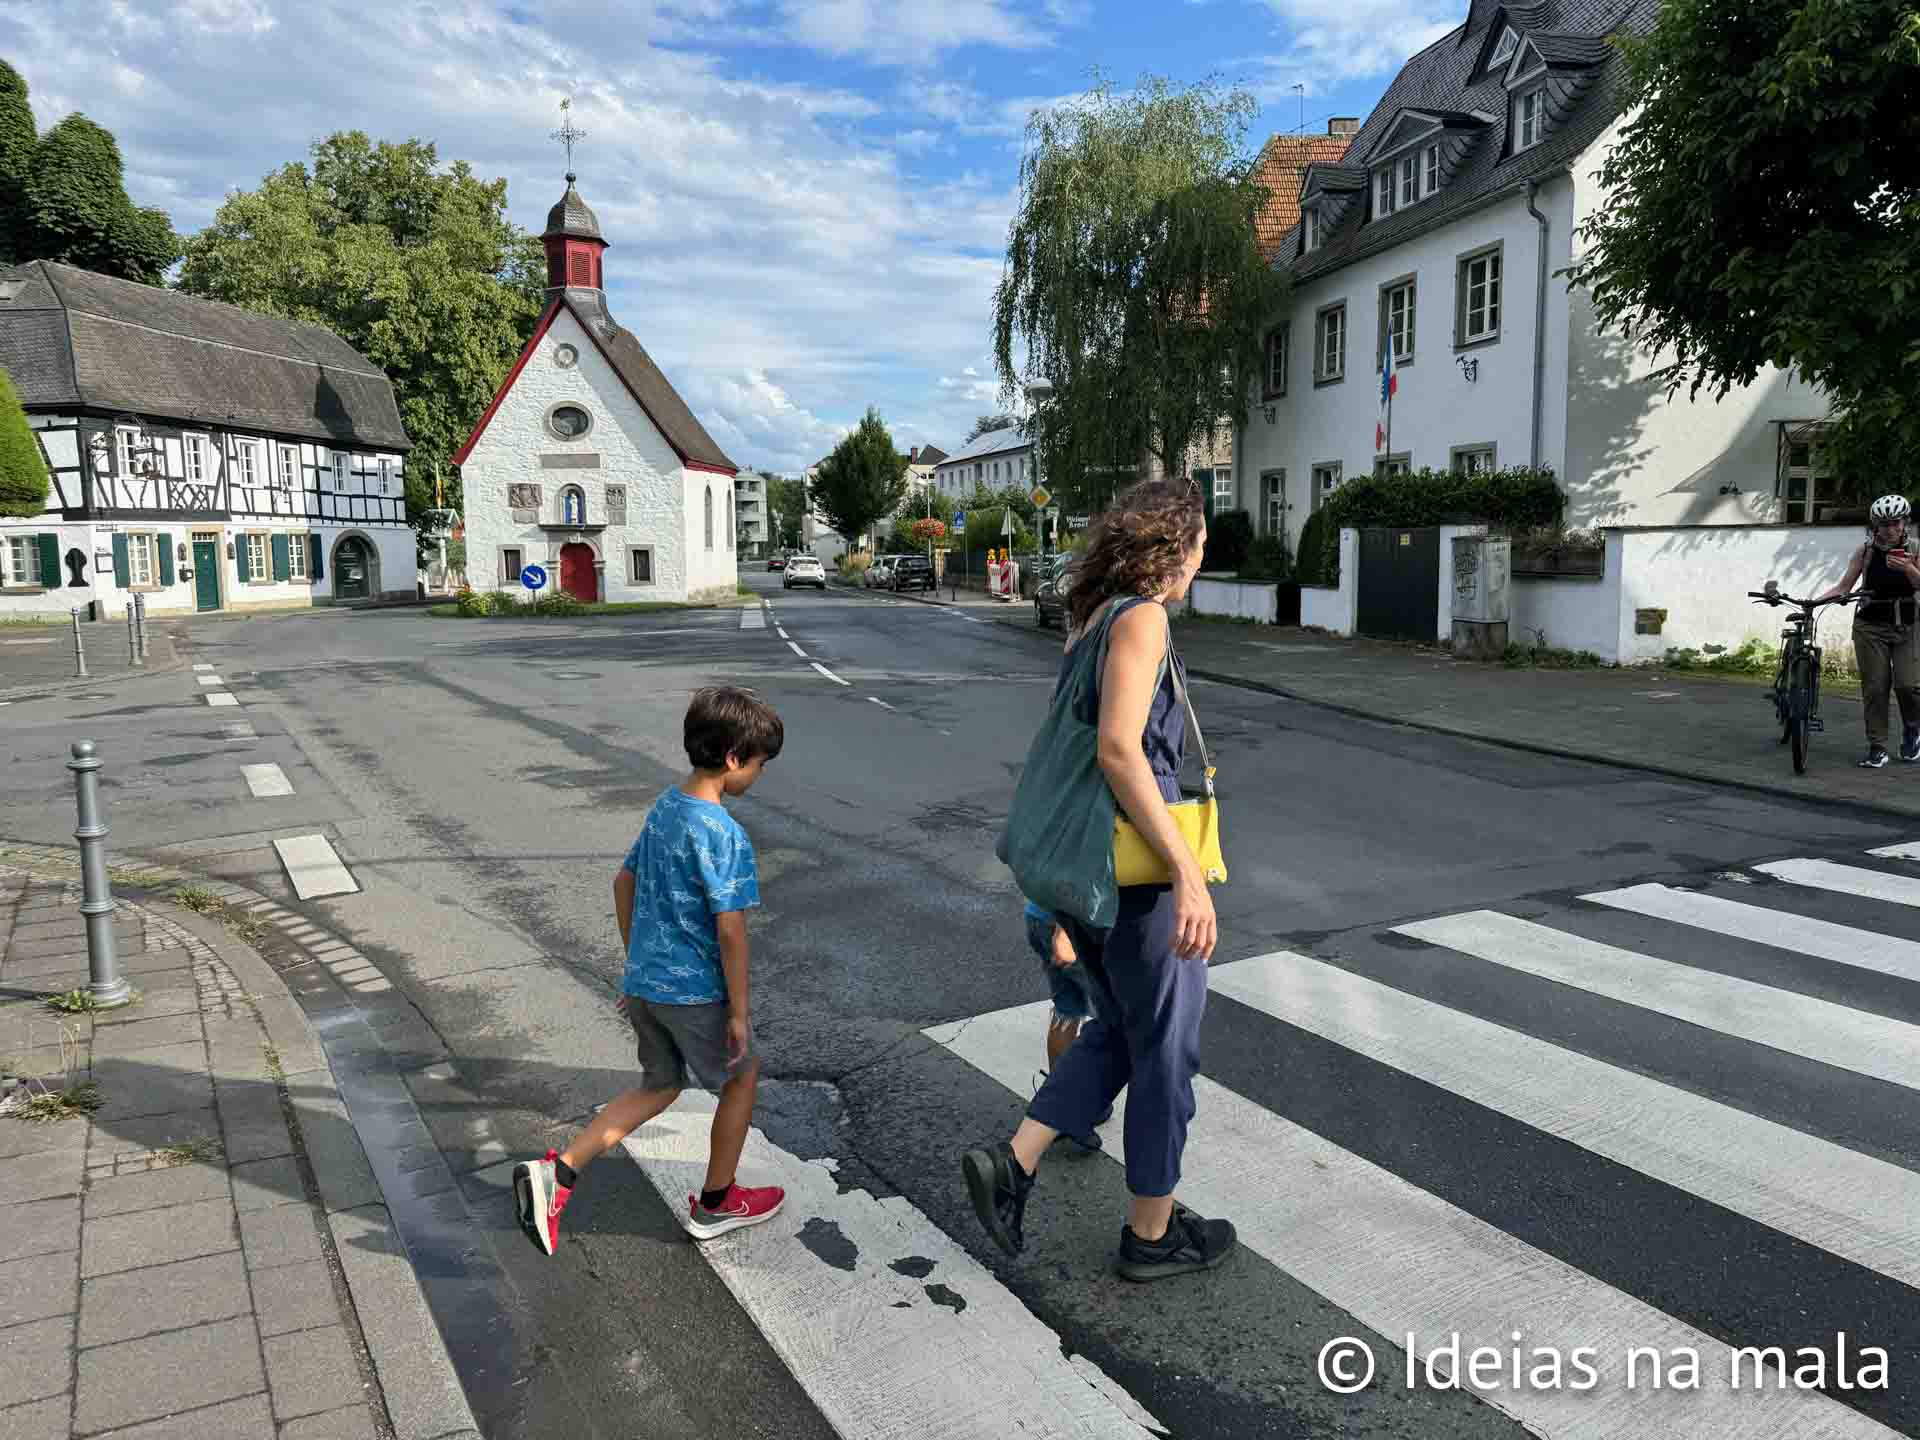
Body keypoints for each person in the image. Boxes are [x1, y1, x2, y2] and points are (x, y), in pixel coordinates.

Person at [963, 478, 1236, 1283]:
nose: (1201, 559)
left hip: (1082, 872)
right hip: (1134, 880)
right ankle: (1150, 1235)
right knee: (1165, 1052)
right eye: (1199, 544)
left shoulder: (1094, 619)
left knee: (1118, 1031)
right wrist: (1188, 873)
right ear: (1174, 546)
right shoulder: (1143, 618)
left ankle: (1014, 1165)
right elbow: (1119, 751)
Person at [513, 685, 786, 1254]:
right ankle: (716, 1203)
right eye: (758, 765)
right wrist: (738, 1012)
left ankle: (559, 1173)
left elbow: (624, 881)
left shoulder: (666, 807)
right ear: (735, 759)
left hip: (645, 984)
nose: (757, 777)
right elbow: (731, 930)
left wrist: (636, 963)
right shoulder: (723, 833)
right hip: (693, 994)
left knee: (659, 1085)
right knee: (741, 1077)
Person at [1815, 494, 1920, 768]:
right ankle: (1878, 746)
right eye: (1883, 524)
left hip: (1907, 624)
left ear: (1904, 523)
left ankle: (1912, 729)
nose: (1890, 529)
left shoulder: (1916, 549)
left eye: (1895, 522)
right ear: (1875, 525)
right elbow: (1844, 587)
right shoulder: (1866, 552)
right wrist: (1813, 602)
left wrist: (1909, 567)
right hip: (1869, 626)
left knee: (1908, 686)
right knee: (1875, 687)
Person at [1022, 895, 1110, 1154]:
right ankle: (1074, 1112)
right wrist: (1063, 931)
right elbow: (1079, 876)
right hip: (1069, 928)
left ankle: (1056, 1102)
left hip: (1040, 916)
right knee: (1113, 1020)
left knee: (1067, 1009)